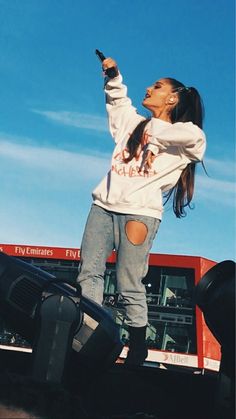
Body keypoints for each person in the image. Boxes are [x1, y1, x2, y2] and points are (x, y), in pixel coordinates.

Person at [77, 56, 206, 366]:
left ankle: (137, 348)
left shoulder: (187, 137)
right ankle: (89, 335)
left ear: (173, 98)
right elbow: (118, 102)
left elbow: (192, 139)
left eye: (157, 87)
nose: (149, 88)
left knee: (127, 281)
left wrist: (154, 128)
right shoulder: (131, 124)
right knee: (88, 274)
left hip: (139, 214)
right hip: (103, 206)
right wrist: (114, 76)